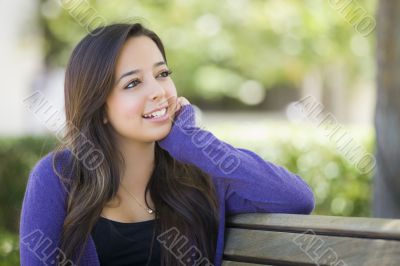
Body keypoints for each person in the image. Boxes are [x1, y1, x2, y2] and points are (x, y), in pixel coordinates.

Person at [19, 22, 315, 266]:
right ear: (99, 107)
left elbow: (297, 198)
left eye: (162, 74)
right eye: (132, 83)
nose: (159, 91)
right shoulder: (59, 177)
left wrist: (191, 141)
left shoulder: (200, 178)